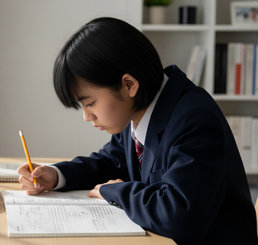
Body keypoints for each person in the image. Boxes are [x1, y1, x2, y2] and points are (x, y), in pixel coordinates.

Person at [17, 17, 258, 244]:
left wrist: (113, 191)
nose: (86, 116)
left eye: (89, 103)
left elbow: (179, 214)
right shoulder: (139, 110)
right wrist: (56, 175)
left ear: (129, 85)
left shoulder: (193, 117)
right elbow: (109, 162)